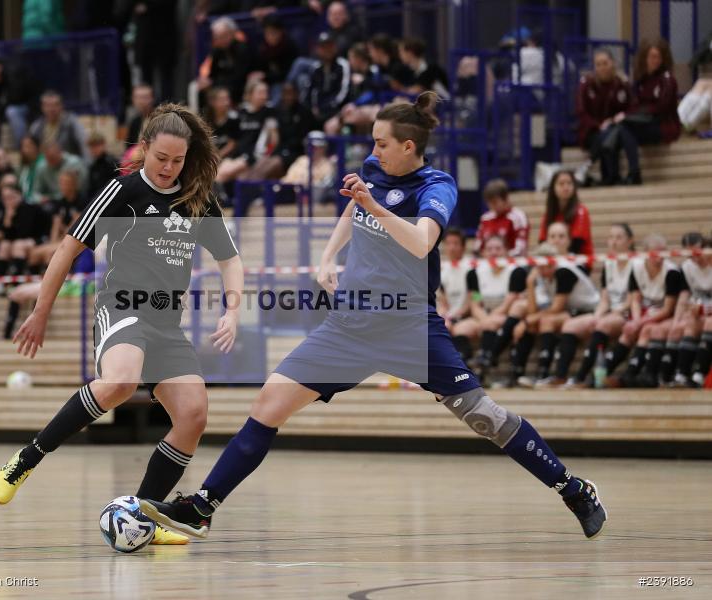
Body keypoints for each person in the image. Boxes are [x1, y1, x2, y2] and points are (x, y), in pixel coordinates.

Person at [139, 93, 608, 542]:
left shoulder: (436, 186)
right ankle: (203, 507)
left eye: (382, 143)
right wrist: (328, 256)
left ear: (408, 146)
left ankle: (573, 489)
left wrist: (374, 206)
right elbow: (353, 207)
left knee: (485, 417)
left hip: (409, 327)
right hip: (349, 326)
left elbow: (422, 242)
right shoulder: (374, 170)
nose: (374, 150)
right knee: (268, 403)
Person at [0, 104, 245, 548]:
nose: (168, 168)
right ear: (143, 148)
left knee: (193, 415)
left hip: (166, 323)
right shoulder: (122, 192)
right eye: (161, 157)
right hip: (122, 308)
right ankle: (27, 458)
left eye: (178, 160)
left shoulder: (197, 199)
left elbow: (230, 259)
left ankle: (144, 514)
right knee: (121, 381)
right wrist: (41, 311)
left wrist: (233, 310)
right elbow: (67, 251)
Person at [509, 241, 600, 389]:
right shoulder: (542, 276)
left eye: (546, 266)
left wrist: (525, 322)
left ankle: (546, 374)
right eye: (540, 267)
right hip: (571, 310)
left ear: (553, 262)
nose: (542, 270)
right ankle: (526, 374)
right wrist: (530, 283)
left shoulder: (563, 271)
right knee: (536, 322)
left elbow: (556, 308)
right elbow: (533, 311)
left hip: (589, 310)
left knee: (546, 321)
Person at [603, 234, 682, 388]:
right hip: (647, 311)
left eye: (663, 252)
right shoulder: (636, 267)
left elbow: (667, 309)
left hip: (666, 314)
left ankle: (630, 375)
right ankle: (602, 373)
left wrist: (639, 322)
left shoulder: (671, 272)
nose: (659, 257)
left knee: (646, 330)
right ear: (646, 253)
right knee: (628, 331)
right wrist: (636, 320)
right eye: (655, 253)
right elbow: (635, 300)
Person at [563, 224, 636, 387]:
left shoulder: (636, 263)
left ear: (630, 241)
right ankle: (559, 376)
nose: (614, 242)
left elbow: (632, 301)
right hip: (611, 312)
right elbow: (604, 299)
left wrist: (611, 314)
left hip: (628, 312)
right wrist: (597, 315)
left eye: (619, 237)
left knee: (603, 325)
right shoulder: (608, 263)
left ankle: (582, 377)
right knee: (570, 325)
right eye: (611, 237)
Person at [458, 235, 528, 369]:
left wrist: (488, 320)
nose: (494, 252)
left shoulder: (515, 271)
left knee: (491, 323)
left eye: (498, 248)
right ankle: (464, 365)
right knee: (461, 328)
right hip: (484, 314)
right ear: (484, 252)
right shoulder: (475, 274)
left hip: (506, 314)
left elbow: (508, 304)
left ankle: (486, 359)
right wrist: (484, 319)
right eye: (489, 249)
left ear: (506, 251)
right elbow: (476, 303)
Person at [618, 39, 681, 184]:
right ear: (645, 58)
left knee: (624, 127)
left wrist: (631, 115)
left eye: (658, 57)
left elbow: (661, 107)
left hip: (663, 125)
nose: (655, 60)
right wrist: (626, 115)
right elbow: (635, 104)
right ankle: (620, 174)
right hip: (645, 122)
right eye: (652, 57)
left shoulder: (668, 80)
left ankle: (634, 173)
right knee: (621, 128)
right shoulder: (642, 79)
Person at [576, 49, 632, 185]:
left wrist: (613, 121)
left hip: (616, 129)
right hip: (591, 131)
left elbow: (631, 107)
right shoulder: (586, 84)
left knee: (610, 135)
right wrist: (598, 125)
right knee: (606, 137)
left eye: (605, 63)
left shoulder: (621, 83)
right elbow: (581, 112)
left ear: (612, 63)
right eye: (598, 64)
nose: (602, 67)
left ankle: (590, 164)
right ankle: (612, 178)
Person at [239, 81, 315, 181]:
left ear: (297, 94)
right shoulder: (276, 110)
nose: (288, 97)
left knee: (265, 168)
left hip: (294, 152)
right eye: (285, 93)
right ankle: (250, 189)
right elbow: (273, 139)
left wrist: (269, 152)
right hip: (274, 151)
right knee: (255, 168)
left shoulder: (303, 112)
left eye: (291, 93)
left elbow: (277, 140)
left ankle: (253, 189)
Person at [216, 80, 278, 185]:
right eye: (260, 93)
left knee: (221, 174)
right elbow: (233, 140)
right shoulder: (240, 112)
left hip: (253, 155)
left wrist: (266, 155)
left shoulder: (269, 112)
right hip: (237, 154)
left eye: (266, 92)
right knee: (217, 172)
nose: (264, 96)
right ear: (250, 94)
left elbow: (274, 140)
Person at [671, 234, 712, 387]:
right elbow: (686, 297)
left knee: (709, 323)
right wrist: (677, 320)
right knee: (689, 324)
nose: (695, 259)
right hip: (704, 311)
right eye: (690, 255)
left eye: (697, 253)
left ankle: (700, 374)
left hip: (708, 314)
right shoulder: (687, 267)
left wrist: (704, 308)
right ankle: (682, 374)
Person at [28, 169, 85, 269]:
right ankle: (37, 277)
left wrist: (57, 242)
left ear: (73, 184)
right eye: (61, 183)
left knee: (49, 254)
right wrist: (53, 243)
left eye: (66, 183)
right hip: (60, 239)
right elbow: (55, 226)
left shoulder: (81, 201)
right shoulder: (60, 203)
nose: (63, 186)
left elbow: (73, 228)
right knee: (34, 253)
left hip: (74, 242)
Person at [0, 56, 40, 149]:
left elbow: (14, 99)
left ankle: (22, 147)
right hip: (7, 107)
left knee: (12, 112)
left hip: (28, 105)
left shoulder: (13, 73)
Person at [537, 170, 593, 261]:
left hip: (579, 260)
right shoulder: (548, 213)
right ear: (553, 188)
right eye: (561, 184)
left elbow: (577, 244)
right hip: (553, 261)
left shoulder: (581, 211)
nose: (566, 187)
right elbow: (542, 241)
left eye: (569, 183)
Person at [199, 17, 252, 105]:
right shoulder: (217, 50)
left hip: (239, 86)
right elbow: (213, 73)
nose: (217, 40)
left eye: (220, 37)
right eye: (216, 37)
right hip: (220, 86)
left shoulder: (242, 49)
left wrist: (213, 83)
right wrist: (206, 81)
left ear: (231, 34)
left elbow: (239, 77)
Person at [474, 178, 529, 257]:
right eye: (489, 203)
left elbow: (520, 249)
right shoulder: (485, 218)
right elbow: (477, 248)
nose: (492, 206)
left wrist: (502, 257)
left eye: (495, 202)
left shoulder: (518, 217)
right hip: (488, 262)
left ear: (505, 199)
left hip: (511, 262)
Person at [28, 91, 89, 160]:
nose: (51, 109)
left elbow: (84, 143)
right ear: (42, 107)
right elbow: (29, 147)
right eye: (48, 105)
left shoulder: (71, 122)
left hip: (67, 162)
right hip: (43, 163)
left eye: (55, 105)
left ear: (61, 106)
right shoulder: (36, 126)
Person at [307, 32, 351, 126]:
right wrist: (313, 107)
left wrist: (327, 106)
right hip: (317, 111)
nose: (326, 50)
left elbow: (343, 92)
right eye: (323, 47)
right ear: (317, 49)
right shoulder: (315, 68)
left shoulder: (343, 65)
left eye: (329, 46)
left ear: (335, 47)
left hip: (337, 109)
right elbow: (310, 92)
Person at [251, 15, 298, 96]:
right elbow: (260, 68)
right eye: (267, 33)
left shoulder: (290, 46)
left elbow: (289, 72)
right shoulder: (263, 48)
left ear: (280, 32)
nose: (270, 36)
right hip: (270, 82)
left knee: (277, 88)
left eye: (273, 32)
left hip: (287, 81)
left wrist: (266, 76)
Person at [436, 228, 470, 335]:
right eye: (448, 243)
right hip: (450, 316)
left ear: (463, 247)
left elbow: (476, 296)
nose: (451, 248)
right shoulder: (442, 270)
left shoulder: (471, 268)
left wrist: (465, 312)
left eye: (455, 243)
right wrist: (443, 314)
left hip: (468, 315)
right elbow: (443, 301)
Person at [203, 87, 240, 158]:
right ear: (212, 102)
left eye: (227, 99)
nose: (226, 103)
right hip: (209, 155)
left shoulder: (234, 118)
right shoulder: (205, 118)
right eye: (222, 99)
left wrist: (218, 156)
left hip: (228, 157)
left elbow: (232, 144)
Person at [86, 132, 118, 200]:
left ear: (103, 145)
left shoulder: (112, 163)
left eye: (96, 146)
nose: (94, 149)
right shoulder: (93, 166)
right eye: (91, 147)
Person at [17, 135, 44, 201]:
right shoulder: (26, 165)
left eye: (28, 146)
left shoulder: (43, 163)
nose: (25, 149)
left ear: (37, 146)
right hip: (26, 199)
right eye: (23, 146)